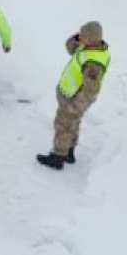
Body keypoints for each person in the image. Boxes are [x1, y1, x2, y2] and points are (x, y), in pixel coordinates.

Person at [36, 21, 110, 170]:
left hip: (73, 100)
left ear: (90, 38)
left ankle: (57, 157)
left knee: (63, 125)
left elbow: (91, 91)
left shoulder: (94, 62)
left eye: (83, 35)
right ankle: (69, 152)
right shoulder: (87, 47)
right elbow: (70, 48)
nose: (79, 36)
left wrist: (75, 107)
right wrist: (77, 38)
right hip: (68, 94)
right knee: (72, 125)